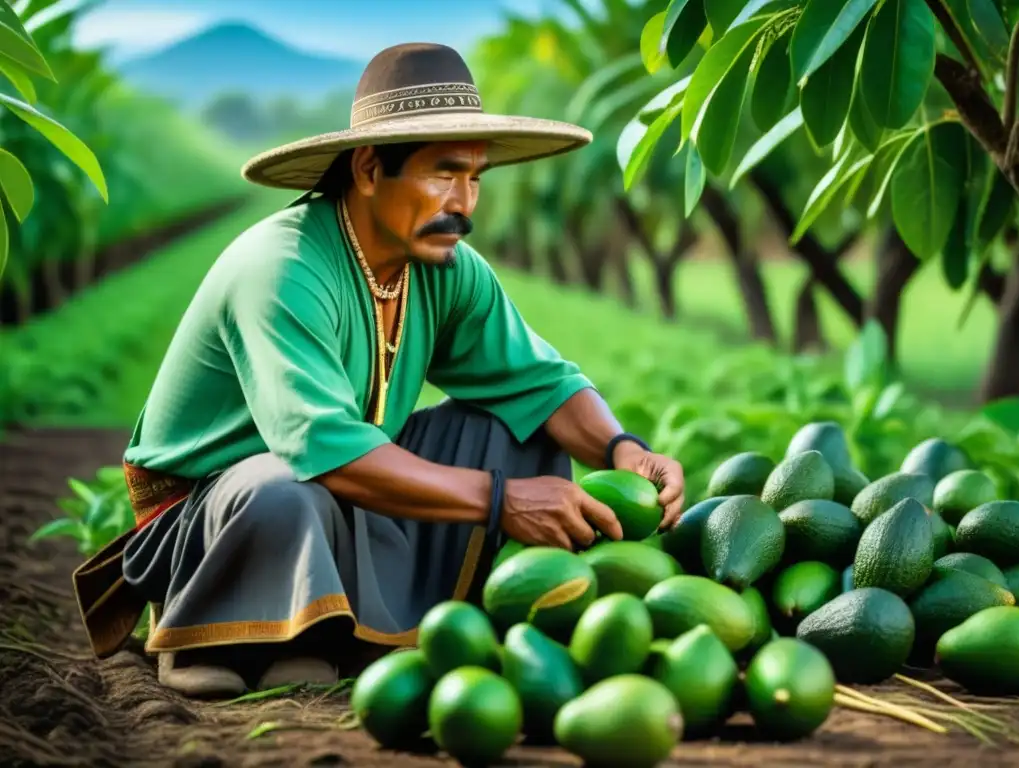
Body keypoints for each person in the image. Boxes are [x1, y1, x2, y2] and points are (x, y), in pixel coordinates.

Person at [71, 42, 685, 699]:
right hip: (213, 510)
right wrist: (502, 501)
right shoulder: (284, 268)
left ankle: (355, 630)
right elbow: (323, 450)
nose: (465, 203)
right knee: (283, 487)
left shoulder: (444, 269)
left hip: (338, 489)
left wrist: (623, 448)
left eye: (476, 177)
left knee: (523, 430)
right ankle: (216, 624)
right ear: (368, 169)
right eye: (444, 173)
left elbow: (544, 384)